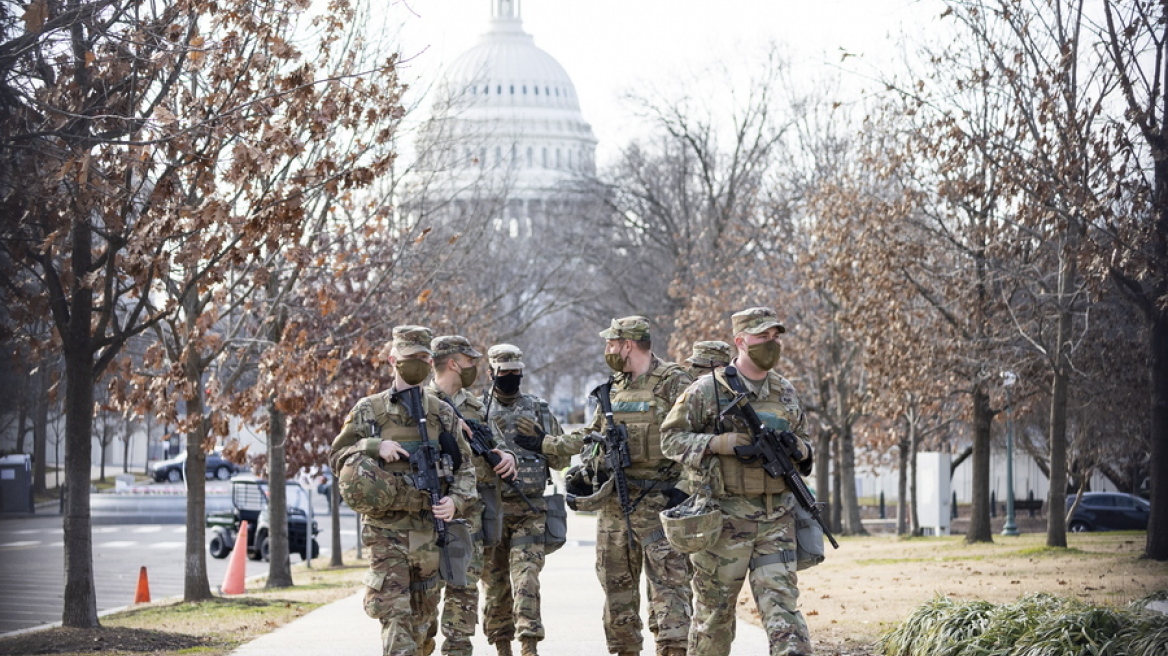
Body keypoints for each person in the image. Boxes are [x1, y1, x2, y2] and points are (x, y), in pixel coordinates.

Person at [513, 317, 693, 656]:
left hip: (661, 504)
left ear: (627, 344)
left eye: (611, 343)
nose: (607, 349)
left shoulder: (674, 381)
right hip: (616, 505)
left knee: (669, 594)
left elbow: (694, 437)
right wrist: (545, 443)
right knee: (617, 596)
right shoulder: (613, 389)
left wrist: (683, 488)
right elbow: (589, 435)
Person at [660, 307, 815, 656]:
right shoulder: (707, 390)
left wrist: (800, 447)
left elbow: (807, 445)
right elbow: (670, 439)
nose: (772, 343)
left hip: (776, 520)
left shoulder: (785, 391)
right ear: (740, 341)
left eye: (776, 336)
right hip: (723, 521)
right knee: (714, 617)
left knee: (784, 614)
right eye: (763, 337)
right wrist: (718, 443)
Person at [329, 325, 477, 656]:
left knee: (423, 627)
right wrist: (372, 446)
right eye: (413, 358)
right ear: (393, 360)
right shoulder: (369, 410)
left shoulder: (441, 412)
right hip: (386, 533)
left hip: (429, 532)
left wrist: (455, 500)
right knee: (396, 623)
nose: (421, 364)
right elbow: (337, 457)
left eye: (426, 357)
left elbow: (466, 468)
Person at [424, 335, 518, 656]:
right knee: (425, 604)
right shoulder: (420, 402)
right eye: (469, 361)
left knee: (463, 599)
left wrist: (507, 457)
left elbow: (499, 446)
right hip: (430, 518)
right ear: (453, 363)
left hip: (470, 518)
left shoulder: (477, 406)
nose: (474, 367)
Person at [479, 344, 570, 656]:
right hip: (491, 511)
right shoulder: (478, 411)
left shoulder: (538, 408)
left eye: (516, 372)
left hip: (530, 510)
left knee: (527, 578)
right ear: (490, 373)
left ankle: (529, 645)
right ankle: (502, 646)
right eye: (504, 373)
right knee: (494, 584)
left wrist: (541, 438)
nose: (511, 378)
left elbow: (561, 459)